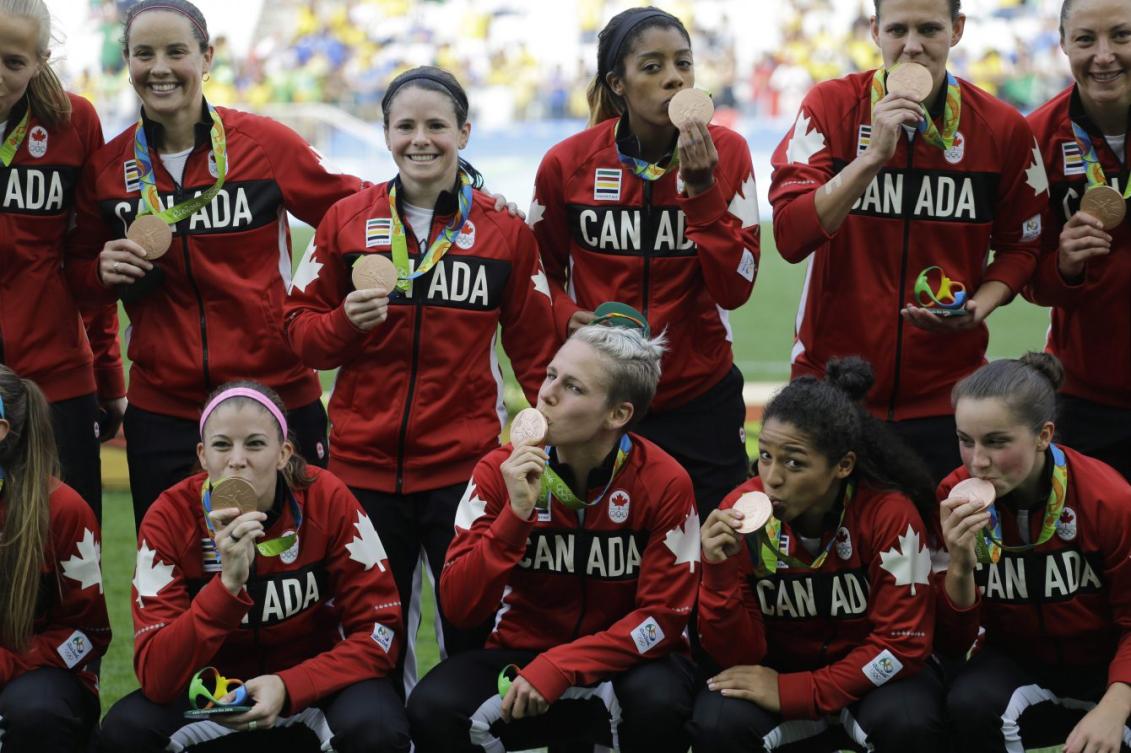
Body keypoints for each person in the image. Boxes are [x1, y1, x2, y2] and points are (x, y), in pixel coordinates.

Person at [284, 66, 557, 692]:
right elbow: (297, 332)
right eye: (405, 125)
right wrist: (343, 326)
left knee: (470, 628)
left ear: (464, 131)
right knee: (371, 634)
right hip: (361, 468)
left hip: (463, 468)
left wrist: (545, 439)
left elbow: (537, 354)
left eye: (437, 125)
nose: (421, 139)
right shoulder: (345, 222)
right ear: (384, 135)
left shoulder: (504, 231)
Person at [69, 0, 365, 529]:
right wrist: (97, 272)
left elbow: (356, 212)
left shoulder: (264, 145)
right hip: (166, 413)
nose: (159, 67)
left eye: (176, 52)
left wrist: (472, 193)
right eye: (144, 54)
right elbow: (77, 282)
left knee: (299, 576)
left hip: (275, 400)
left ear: (206, 58)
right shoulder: (108, 170)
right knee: (175, 577)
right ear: (128, 63)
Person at [768, 0, 1049, 484]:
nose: (912, 45)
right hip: (833, 387)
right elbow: (791, 236)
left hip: (947, 398)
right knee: (831, 555)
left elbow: (1021, 246)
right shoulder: (830, 107)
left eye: (929, 29)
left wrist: (980, 305)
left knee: (943, 551)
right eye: (897, 29)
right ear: (875, 31)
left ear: (957, 30)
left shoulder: (1002, 128)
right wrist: (870, 159)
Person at [406, 315, 698, 753]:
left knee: (661, 701)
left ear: (618, 414)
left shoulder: (665, 483)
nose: (546, 393)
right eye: (551, 374)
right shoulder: (496, 472)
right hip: (523, 655)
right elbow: (460, 607)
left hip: (627, 667)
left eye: (574, 388)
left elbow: (661, 621)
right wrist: (516, 516)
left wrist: (563, 665)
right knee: (433, 708)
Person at [529, 6, 760, 517]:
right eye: (652, 67)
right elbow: (534, 274)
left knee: (712, 558)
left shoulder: (731, 154)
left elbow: (737, 287)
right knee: (607, 564)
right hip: (599, 398)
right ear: (618, 84)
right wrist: (566, 315)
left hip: (700, 398)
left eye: (683, 64)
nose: (673, 78)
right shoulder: (567, 163)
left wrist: (700, 193)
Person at [97, 381, 409, 753]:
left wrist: (290, 685)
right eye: (222, 445)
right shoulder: (169, 516)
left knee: (378, 730)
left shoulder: (327, 498)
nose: (237, 459)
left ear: (283, 453)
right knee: (123, 732)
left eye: (256, 444)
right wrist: (226, 588)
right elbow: (156, 676)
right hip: (214, 699)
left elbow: (381, 633)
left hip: (314, 690)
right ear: (203, 455)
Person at [689, 357, 944, 752]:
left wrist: (798, 691)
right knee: (717, 721)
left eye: (794, 463)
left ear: (843, 466)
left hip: (872, 685)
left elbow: (902, 645)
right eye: (767, 455)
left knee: (908, 720)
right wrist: (718, 572)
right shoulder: (742, 510)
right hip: (777, 671)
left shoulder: (888, 515)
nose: (771, 477)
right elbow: (738, 655)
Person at [937, 353, 1131, 753]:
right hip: (1019, 664)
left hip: (1110, 667)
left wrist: (1116, 704)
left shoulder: (1108, 500)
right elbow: (954, 646)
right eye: (964, 440)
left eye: (996, 441)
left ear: (1043, 435)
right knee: (967, 705)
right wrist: (959, 566)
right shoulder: (953, 498)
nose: (978, 461)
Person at [0, 0, 123, 518]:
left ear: (40, 59)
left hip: (56, 379)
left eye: (13, 62)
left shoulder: (73, 123)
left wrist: (110, 378)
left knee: (71, 561)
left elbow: (88, 263)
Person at [1024, 0, 1131, 482]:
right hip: (1088, 398)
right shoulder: (1036, 137)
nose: (1104, 56)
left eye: (1122, 36)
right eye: (1086, 39)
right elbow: (1026, 275)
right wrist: (1064, 266)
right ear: (1064, 44)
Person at [0, 367, 111, 753]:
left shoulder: (63, 511)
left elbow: (89, 636)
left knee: (35, 711)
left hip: (41, 680)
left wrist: (12, 662)